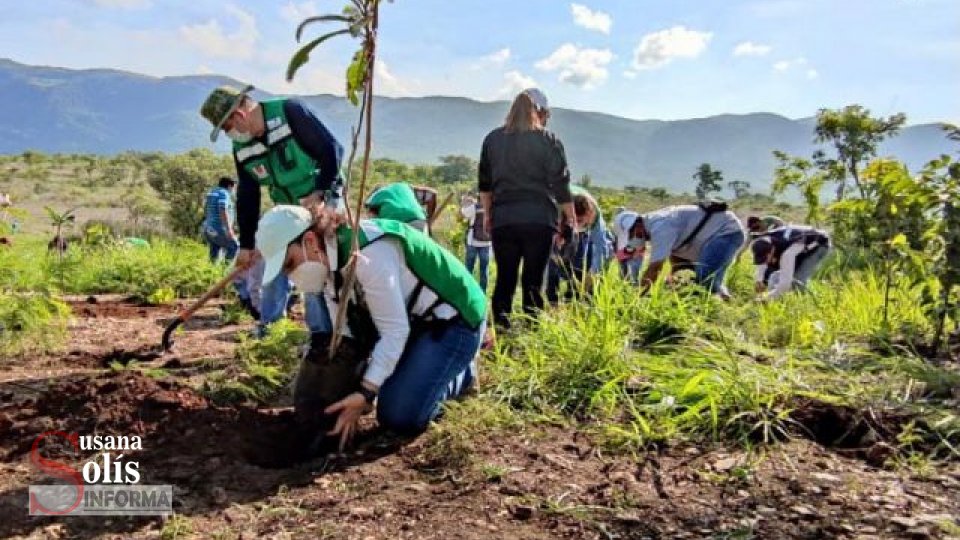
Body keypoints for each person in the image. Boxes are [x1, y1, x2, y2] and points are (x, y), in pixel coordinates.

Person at [254, 204, 487, 448]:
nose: (292, 276)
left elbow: (394, 331)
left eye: (290, 264)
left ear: (310, 240)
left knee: (399, 415)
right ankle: (424, 368)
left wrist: (365, 393)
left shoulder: (368, 254)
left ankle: (462, 374)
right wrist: (344, 391)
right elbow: (346, 333)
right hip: (412, 322)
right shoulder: (327, 266)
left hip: (453, 322)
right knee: (384, 385)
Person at [200, 84, 344, 336]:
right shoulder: (242, 148)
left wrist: (320, 193)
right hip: (287, 208)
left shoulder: (290, 112)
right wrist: (246, 245)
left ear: (239, 115)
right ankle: (270, 329)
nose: (228, 134)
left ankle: (323, 333)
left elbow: (332, 150)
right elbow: (248, 194)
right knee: (273, 259)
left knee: (318, 263)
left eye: (226, 128)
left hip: (323, 197)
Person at [479, 88, 577, 328]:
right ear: (541, 113)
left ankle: (501, 327)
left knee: (505, 277)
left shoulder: (493, 139)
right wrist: (570, 218)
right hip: (539, 219)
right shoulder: (548, 140)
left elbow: (485, 184)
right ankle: (532, 329)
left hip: (504, 219)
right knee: (533, 280)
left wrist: (488, 215)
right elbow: (561, 183)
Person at [614, 202, 746, 299]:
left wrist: (636, 297)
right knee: (690, 279)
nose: (632, 240)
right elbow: (676, 257)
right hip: (708, 237)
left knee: (705, 281)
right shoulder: (648, 226)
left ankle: (717, 311)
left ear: (637, 226)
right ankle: (722, 298)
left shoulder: (660, 227)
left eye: (631, 237)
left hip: (726, 232)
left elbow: (655, 268)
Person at [546, 186, 610, 303]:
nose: (577, 223)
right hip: (556, 219)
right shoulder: (553, 207)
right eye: (575, 220)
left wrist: (593, 273)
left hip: (581, 233)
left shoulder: (595, 216)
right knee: (552, 264)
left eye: (580, 220)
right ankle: (552, 300)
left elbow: (602, 247)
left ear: (589, 215)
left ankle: (574, 297)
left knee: (581, 261)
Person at [752, 225, 831, 300]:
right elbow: (762, 264)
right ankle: (776, 300)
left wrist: (767, 298)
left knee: (798, 280)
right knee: (774, 277)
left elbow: (785, 283)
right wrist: (759, 280)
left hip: (820, 245)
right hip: (802, 246)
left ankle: (809, 303)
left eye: (766, 258)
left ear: (772, 250)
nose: (766, 261)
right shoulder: (766, 240)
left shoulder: (787, 254)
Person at [201, 176, 239, 263]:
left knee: (215, 249)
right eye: (234, 187)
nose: (234, 190)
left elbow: (206, 208)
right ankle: (224, 270)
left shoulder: (212, 192)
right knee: (234, 246)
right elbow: (222, 209)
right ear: (230, 186)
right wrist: (228, 229)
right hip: (219, 228)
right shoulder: (224, 193)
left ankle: (211, 272)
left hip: (208, 227)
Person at [365, 182, 429, 232]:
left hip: (399, 225)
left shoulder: (376, 196)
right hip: (421, 219)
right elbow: (433, 194)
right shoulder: (403, 186)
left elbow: (372, 221)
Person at [459, 194, 491, 292]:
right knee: (484, 270)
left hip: (472, 242)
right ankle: (482, 293)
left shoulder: (474, 207)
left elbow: (461, 215)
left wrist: (464, 202)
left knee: (469, 268)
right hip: (487, 243)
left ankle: (466, 290)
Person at [612, 210, 644, 284]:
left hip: (627, 250)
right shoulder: (634, 217)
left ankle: (630, 288)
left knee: (629, 274)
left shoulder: (619, 220)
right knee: (628, 274)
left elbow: (615, 239)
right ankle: (629, 288)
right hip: (629, 249)